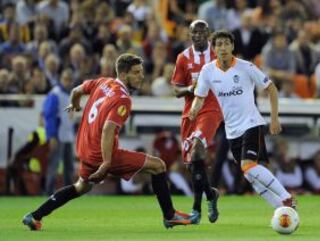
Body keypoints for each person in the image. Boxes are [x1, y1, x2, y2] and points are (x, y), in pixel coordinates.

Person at [22, 53, 193, 231]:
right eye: (136, 72)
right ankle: (169, 215)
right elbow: (108, 130)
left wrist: (75, 104)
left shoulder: (103, 82)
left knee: (81, 187)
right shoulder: (123, 99)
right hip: (100, 153)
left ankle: (34, 216)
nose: (141, 76)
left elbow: (76, 91)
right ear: (124, 74)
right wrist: (106, 163)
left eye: (141, 72)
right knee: (158, 166)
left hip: (84, 148)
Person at [189, 30, 296, 210]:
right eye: (219, 44)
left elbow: (271, 88)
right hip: (231, 130)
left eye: (226, 44)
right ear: (214, 48)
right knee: (249, 174)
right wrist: (194, 109)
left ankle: (286, 197)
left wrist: (274, 118)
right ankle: (281, 209)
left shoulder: (246, 67)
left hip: (252, 123)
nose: (223, 48)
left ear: (232, 46)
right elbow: (199, 97)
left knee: (248, 166)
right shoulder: (207, 71)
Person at [171, 20, 222, 224]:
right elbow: (176, 90)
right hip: (189, 113)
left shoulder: (219, 54)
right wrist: (190, 89)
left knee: (197, 149)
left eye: (202, 32)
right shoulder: (183, 58)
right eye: (195, 32)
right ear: (189, 35)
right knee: (193, 164)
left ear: (208, 34)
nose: (199, 35)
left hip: (210, 109)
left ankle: (196, 210)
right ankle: (210, 195)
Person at [43, 68, 75, 195]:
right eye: (65, 79)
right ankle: (48, 191)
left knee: (69, 166)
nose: (67, 82)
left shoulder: (71, 94)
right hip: (58, 135)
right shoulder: (55, 94)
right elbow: (49, 116)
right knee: (54, 165)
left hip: (68, 135)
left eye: (69, 80)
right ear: (61, 79)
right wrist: (51, 136)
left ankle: (68, 193)